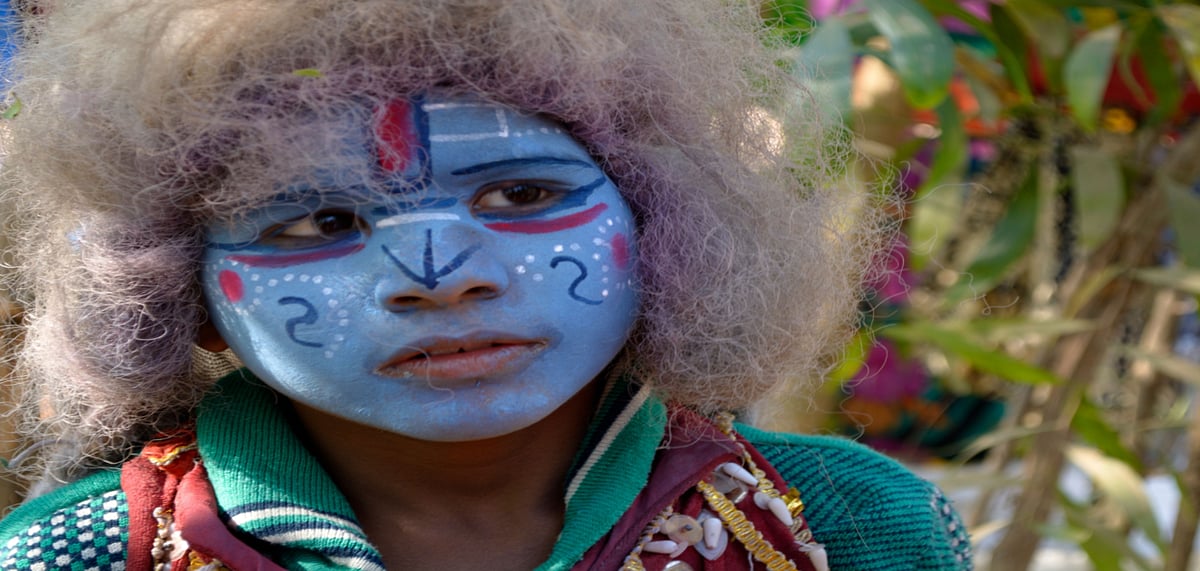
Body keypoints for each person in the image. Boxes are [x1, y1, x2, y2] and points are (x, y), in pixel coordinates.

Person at [0, 1, 972, 569]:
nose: (442, 280)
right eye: (320, 221)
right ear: (185, 294)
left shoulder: (852, 523)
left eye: (521, 192)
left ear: (669, 230)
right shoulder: (78, 553)